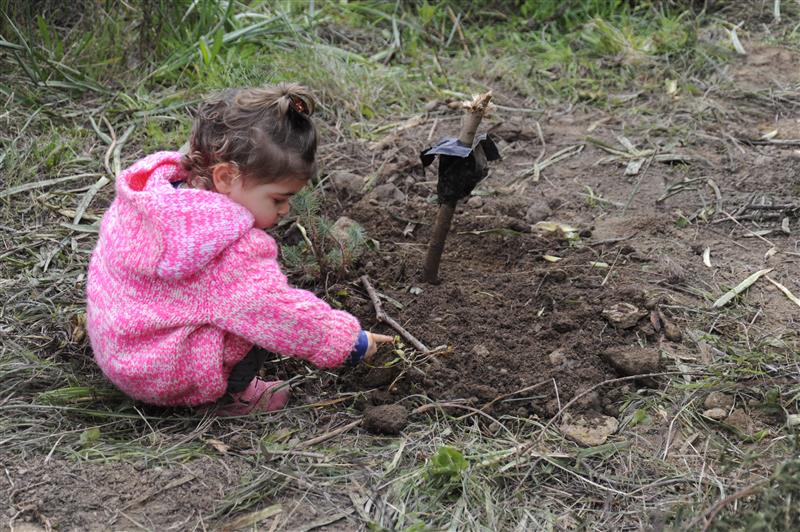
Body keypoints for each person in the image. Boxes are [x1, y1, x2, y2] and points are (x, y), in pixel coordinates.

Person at [86, 83, 393, 416]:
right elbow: (280, 313)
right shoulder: (228, 252)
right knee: (259, 317)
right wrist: (350, 342)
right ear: (226, 177)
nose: (286, 210)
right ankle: (228, 397)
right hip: (158, 375)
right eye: (278, 199)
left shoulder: (156, 194)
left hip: (121, 345)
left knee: (242, 304)